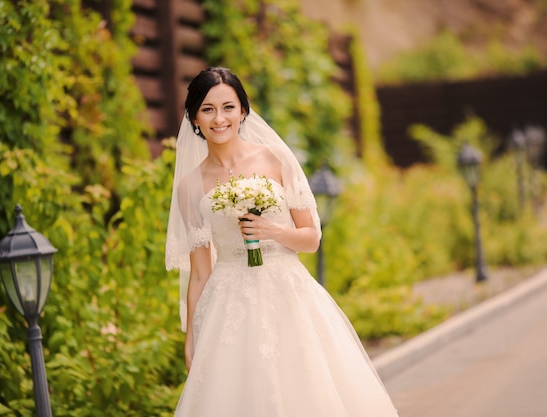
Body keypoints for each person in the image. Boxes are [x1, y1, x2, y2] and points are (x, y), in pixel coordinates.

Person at [165, 67, 399, 417]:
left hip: (289, 296)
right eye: (208, 109)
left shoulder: (275, 159)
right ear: (194, 117)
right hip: (228, 307)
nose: (219, 118)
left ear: (243, 111)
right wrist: (191, 337)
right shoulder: (189, 187)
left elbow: (311, 238)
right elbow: (199, 273)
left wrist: (272, 231)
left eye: (228, 107)